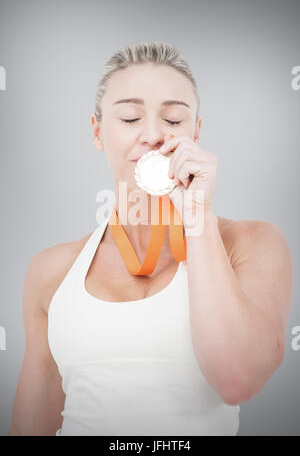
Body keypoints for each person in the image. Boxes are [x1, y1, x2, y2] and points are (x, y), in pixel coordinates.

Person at [8, 41, 293, 436]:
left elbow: (237, 381)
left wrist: (198, 218)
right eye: (129, 119)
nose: (154, 135)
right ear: (97, 132)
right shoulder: (51, 271)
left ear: (196, 131)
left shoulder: (251, 244)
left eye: (174, 120)